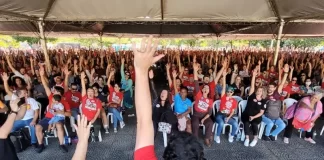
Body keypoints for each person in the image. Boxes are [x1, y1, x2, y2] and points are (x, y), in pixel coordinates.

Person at [133, 36, 205, 160]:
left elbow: (143, 122)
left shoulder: (169, 105)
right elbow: (144, 122)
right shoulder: (166, 98)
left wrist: (141, 70)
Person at [35, 65, 71, 153]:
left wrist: (60, 112)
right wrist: (42, 75)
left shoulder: (64, 101)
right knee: (38, 127)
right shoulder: (51, 97)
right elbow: (45, 86)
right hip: (48, 117)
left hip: (59, 118)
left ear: (60, 93)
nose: (54, 92)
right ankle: (41, 144)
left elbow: (69, 114)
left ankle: (61, 144)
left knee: (59, 125)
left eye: (56, 91)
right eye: (54, 91)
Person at [2, 72, 39, 146]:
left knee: (33, 126)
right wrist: (5, 81)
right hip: (19, 120)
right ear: (19, 94)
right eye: (24, 93)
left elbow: (36, 112)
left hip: (30, 119)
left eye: (26, 92)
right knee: (10, 128)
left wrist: (34, 120)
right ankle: (14, 143)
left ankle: (34, 142)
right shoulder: (16, 99)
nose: (26, 94)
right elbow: (8, 91)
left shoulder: (31, 100)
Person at [241, 67, 266, 147]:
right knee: (246, 122)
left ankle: (255, 139)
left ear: (263, 92)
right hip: (246, 114)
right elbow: (252, 86)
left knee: (255, 124)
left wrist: (253, 117)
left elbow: (261, 112)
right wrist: (254, 76)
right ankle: (247, 138)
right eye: (258, 90)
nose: (259, 91)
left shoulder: (263, 101)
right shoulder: (252, 96)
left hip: (256, 116)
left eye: (261, 91)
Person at [191, 62, 214, 147]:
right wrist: (195, 70)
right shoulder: (198, 94)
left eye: (207, 88)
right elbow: (196, 82)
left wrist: (204, 119)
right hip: (196, 115)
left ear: (208, 91)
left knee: (210, 123)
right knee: (195, 124)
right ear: (202, 89)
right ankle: (195, 140)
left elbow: (210, 113)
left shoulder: (210, 100)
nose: (205, 89)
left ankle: (206, 138)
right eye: (204, 87)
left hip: (205, 115)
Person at [149, 69, 177, 136]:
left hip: (165, 121)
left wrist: (174, 78)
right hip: (156, 120)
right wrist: (151, 79)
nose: (162, 93)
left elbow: (175, 92)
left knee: (169, 114)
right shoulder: (156, 100)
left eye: (164, 93)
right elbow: (153, 89)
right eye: (162, 92)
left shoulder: (168, 103)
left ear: (167, 96)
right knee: (154, 130)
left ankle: (173, 138)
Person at [214, 71, 238, 144]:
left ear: (232, 93)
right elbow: (224, 87)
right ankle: (217, 136)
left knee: (235, 124)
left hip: (227, 116)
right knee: (221, 123)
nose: (229, 93)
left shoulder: (234, 101)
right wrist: (224, 77)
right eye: (228, 91)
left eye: (230, 92)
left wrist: (228, 117)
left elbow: (233, 111)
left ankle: (232, 135)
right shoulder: (223, 97)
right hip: (220, 114)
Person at [80, 72, 102, 142]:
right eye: (88, 91)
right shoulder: (84, 98)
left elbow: (98, 111)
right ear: (86, 93)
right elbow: (83, 87)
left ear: (94, 93)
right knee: (84, 126)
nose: (90, 93)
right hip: (85, 118)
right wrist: (82, 79)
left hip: (94, 117)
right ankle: (88, 136)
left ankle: (95, 135)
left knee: (98, 125)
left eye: (91, 92)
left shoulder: (97, 101)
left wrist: (93, 119)